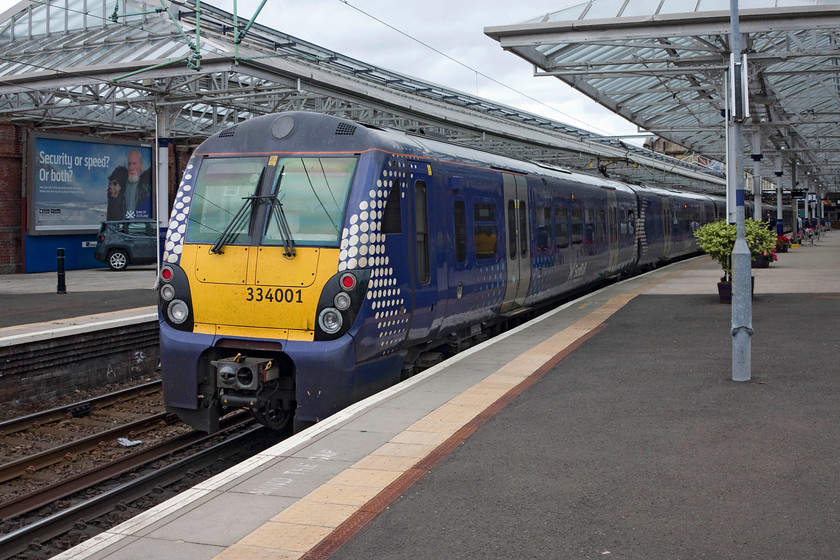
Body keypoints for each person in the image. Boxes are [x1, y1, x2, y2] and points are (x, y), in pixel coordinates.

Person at [124, 149, 152, 219]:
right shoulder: (122, 184)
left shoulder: (146, 185)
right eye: (129, 164)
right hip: (124, 226)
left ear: (141, 165)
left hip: (140, 226)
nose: (131, 168)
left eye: (134, 163)